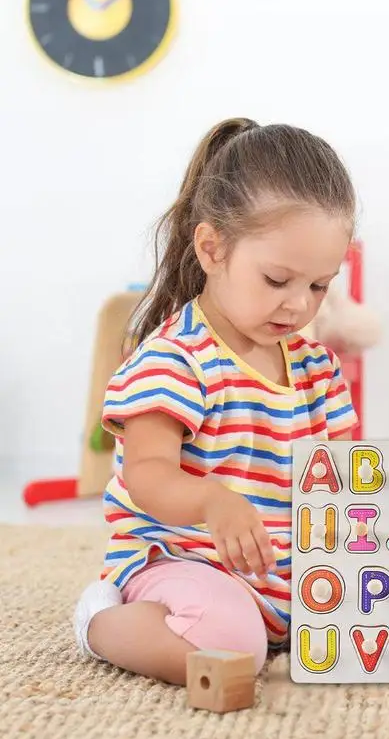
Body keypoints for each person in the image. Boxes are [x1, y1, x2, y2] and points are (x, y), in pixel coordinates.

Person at [73, 118, 359, 684]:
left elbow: (342, 475)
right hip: (185, 561)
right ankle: (102, 622)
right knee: (234, 648)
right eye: (277, 279)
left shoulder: (316, 368)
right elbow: (146, 475)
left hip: (284, 573)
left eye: (319, 286)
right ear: (212, 248)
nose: (299, 305)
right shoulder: (176, 359)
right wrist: (211, 503)